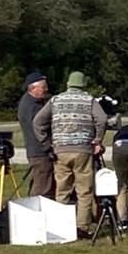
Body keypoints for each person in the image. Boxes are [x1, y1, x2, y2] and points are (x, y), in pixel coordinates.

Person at [32, 71, 108, 236]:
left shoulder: (55, 100)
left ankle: (61, 227)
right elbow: (102, 119)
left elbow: (38, 122)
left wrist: (46, 144)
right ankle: (82, 227)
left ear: (68, 84)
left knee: (62, 190)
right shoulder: (89, 100)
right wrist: (97, 140)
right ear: (83, 84)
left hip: (60, 151)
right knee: (84, 191)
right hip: (83, 150)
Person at [17, 71, 54, 198]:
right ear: (33, 88)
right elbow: (39, 128)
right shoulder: (32, 107)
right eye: (43, 87)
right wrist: (48, 146)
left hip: (37, 151)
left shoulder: (31, 102)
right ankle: (37, 213)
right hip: (40, 152)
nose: (46, 89)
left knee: (40, 183)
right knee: (42, 188)